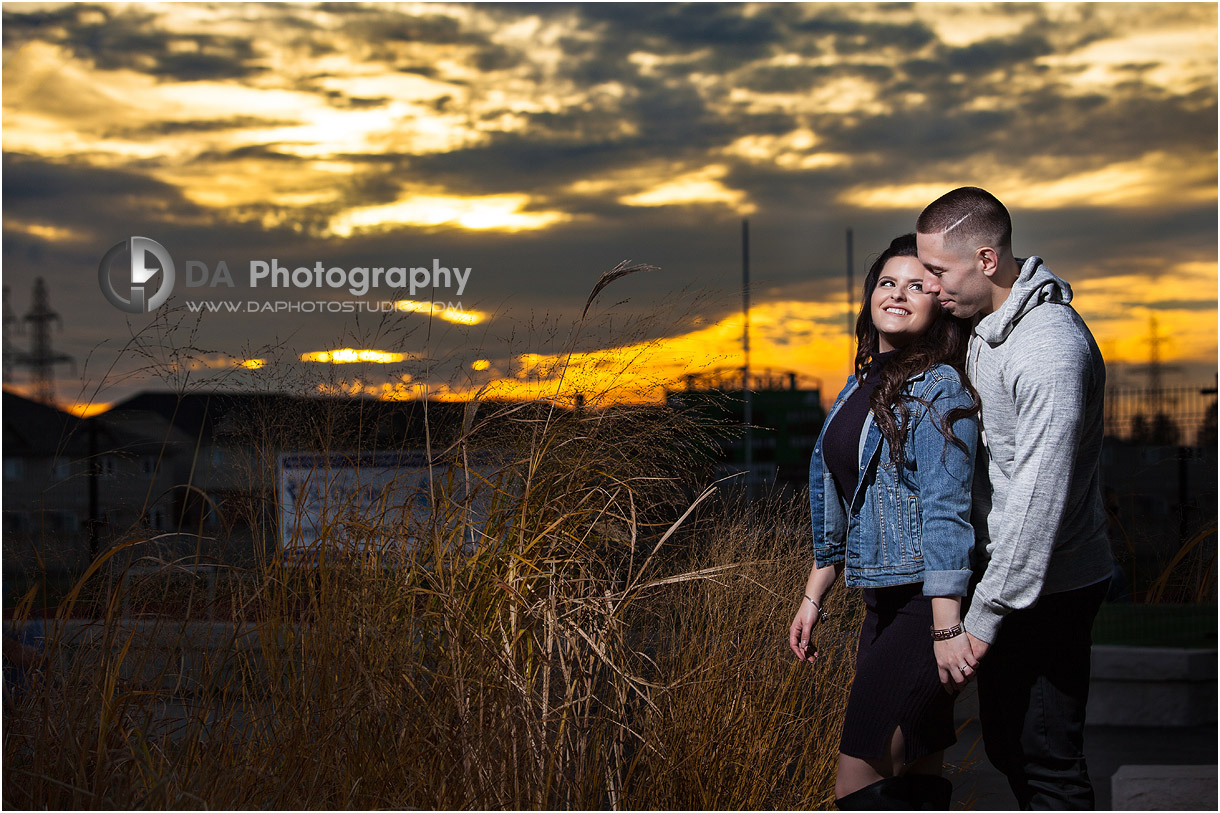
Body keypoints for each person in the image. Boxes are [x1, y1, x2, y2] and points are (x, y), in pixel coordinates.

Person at [916, 187, 1112, 810]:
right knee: (1010, 748)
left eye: (940, 272)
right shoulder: (985, 328)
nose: (933, 286)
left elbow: (1036, 500)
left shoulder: (1049, 349)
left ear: (987, 259)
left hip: (1047, 587)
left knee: (1047, 765)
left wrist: (985, 616)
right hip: (1009, 576)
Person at [789, 233, 980, 810]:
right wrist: (813, 596)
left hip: (924, 607)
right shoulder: (861, 382)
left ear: (937, 304)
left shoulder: (938, 387)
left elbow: (947, 509)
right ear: (870, 294)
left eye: (917, 285)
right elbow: (844, 498)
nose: (898, 294)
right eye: (887, 282)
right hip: (884, 602)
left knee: (860, 781)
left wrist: (946, 630)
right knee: (916, 774)